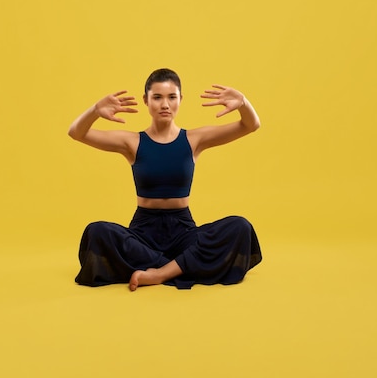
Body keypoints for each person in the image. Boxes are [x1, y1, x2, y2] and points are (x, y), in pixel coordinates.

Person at [68, 68, 262, 291]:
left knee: (240, 227)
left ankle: (159, 273)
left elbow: (250, 125)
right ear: (146, 100)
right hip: (143, 231)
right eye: (157, 97)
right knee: (97, 231)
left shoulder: (193, 139)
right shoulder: (132, 142)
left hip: (183, 230)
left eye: (172, 97)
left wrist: (244, 103)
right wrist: (95, 111)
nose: (165, 104)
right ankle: (182, 267)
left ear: (181, 99)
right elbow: (76, 132)